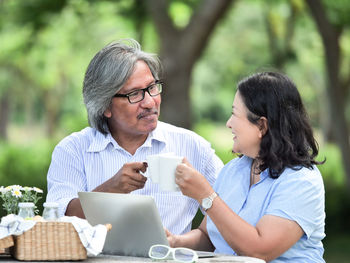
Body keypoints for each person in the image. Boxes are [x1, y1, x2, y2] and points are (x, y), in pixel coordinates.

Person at [46, 39, 223, 235]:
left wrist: (194, 238)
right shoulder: (73, 150)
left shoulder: (192, 146)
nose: (149, 102)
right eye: (135, 94)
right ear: (105, 106)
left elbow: (233, 208)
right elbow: (57, 221)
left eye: (152, 88)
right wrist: (111, 189)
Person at [170, 72, 325, 262]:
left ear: (262, 126)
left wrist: (206, 196)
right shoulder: (233, 171)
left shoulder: (301, 181)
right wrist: (175, 241)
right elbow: (208, 236)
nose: (228, 123)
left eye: (235, 114)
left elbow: (259, 251)